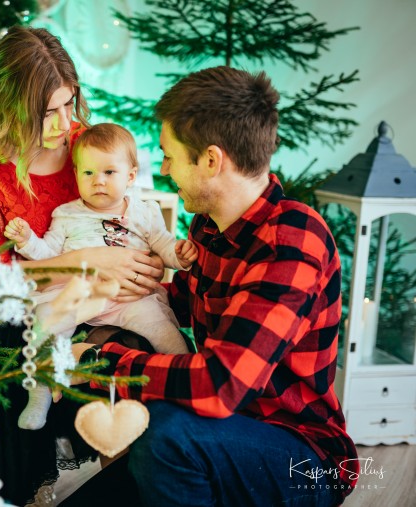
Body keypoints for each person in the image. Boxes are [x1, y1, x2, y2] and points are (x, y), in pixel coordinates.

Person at [80, 66, 359, 507]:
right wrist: (103, 305)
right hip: (213, 433)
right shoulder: (211, 227)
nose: (166, 168)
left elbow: (219, 386)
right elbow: (183, 303)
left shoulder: (292, 240)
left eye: (170, 155)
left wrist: (97, 362)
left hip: (301, 453)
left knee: (166, 433)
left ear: (211, 160)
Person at [0, 26, 165, 505]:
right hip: (7, 305)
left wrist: (141, 266)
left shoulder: (83, 147)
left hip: (92, 303)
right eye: (47, 112)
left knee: (128, 350)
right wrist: (86, 261)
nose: (63, 123)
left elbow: (129, 216)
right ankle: (19, 493)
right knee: (10, 359)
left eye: (69, 104)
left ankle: (131, 487)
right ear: (10, 106)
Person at [4, 123, 197, 430]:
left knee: (161, 327)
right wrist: (27, 241)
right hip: (78, 295)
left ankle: (189, 379)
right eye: (89, 173)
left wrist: (179, 255)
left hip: (127, 298)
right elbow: (48, 255)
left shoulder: (143, 212)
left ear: (130, 177)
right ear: (77, 175)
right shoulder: (66, 215)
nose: (98, 182)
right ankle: (39, 392)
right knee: (46, 322)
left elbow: (162, 243)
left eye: (109, 173)